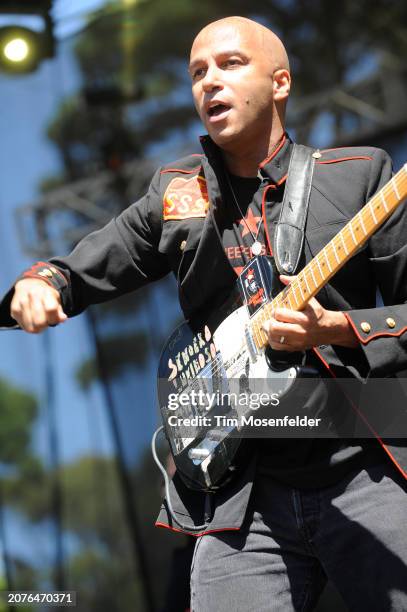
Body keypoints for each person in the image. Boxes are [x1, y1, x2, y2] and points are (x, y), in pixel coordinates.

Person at [1, 15, 407, 612]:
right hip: (239, 496)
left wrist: (337, 328)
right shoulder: (174, 195)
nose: (209, 82)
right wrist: (40, 283)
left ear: (281, 82)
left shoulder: (361, 177)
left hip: (361, 468)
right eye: (197, 73)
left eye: (230, 65)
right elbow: (80, 268)